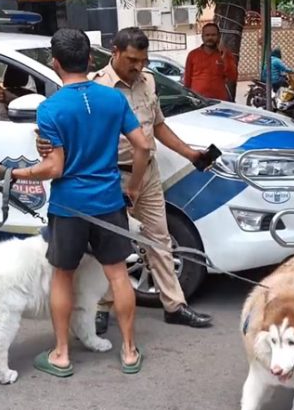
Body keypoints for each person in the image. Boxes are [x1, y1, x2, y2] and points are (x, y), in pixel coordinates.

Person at [0, 28, 152, 376]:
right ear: (91, 60)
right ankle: (130, 351)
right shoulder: (113, 99)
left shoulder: (51, 108)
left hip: (69, 207)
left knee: (63, 276)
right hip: (108, 201)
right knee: (119, 276)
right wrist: (133, 187)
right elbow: (143, 146)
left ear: (55, 63)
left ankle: (61, 354)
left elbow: (54, 167)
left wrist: (11, 173)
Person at [37, 27, 214, 332]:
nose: (138, 66)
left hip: (147, 174)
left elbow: (155, 128)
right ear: (115, 53)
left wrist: (190, 154)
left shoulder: (148, 81)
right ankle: (102, 308)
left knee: (159, 239)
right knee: (107, 248)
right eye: (132, 59)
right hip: (113, 177)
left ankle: (175, 305)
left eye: (143, 60)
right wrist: (45, 146)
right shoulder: (96, 87)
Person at [183, 23, 238, 101]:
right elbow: (187, 80)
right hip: (198, 101)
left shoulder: (225, 54)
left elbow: (232, 77)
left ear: (219, 37)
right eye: (207, 35)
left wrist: (224, 57)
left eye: (213, 35)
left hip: (220, 101)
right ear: (202, 37)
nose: (210, 38)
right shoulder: (192, 55)